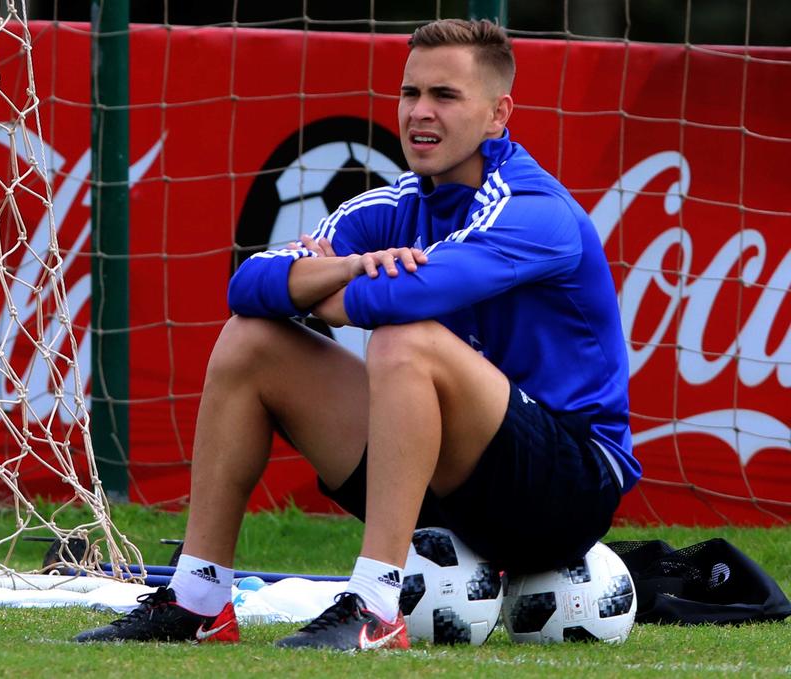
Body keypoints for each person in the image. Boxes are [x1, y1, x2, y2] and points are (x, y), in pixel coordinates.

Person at [75, 17, 640, 650]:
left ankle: (375, 606)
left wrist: (323, 288)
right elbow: (250, 282)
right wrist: (348, 268)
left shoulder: (535, 210)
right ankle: (198, 599)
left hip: (566, 490)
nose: (420, 112)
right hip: (451, 485)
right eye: (410, 93)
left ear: (497, 114)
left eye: (445, 96)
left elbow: (406, 297)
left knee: (404, 338)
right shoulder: (393, 205)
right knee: (251, 340)